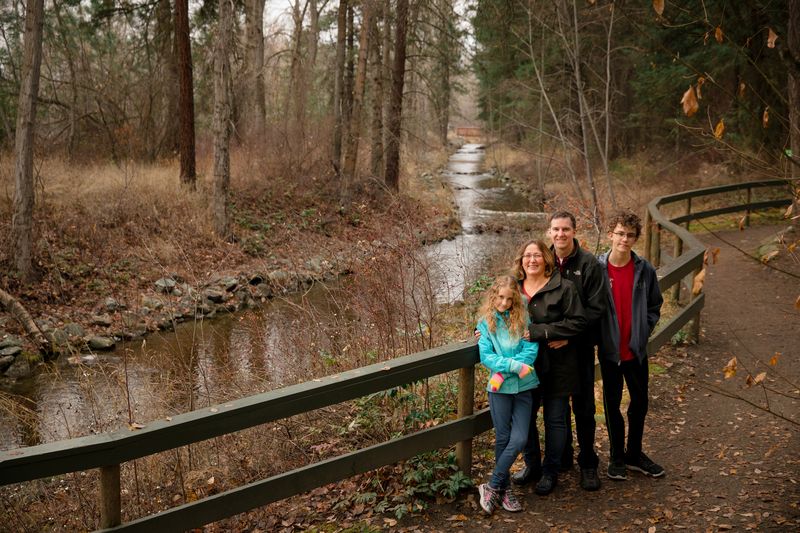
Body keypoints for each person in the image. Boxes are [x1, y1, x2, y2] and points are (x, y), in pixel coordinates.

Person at [513, 212, 607, 491]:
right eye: (555, 229)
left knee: (584, 408)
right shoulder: (540, 265)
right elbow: (500, 308)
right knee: (545, 413)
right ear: (549, 232)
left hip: (575, 349)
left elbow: (594, 310)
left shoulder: (588, 264)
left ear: (574, 231)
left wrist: (563, 335)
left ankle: (587, 463)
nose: (560, 234)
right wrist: (481, 330)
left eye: (566, 229)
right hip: (534, 359)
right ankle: (557, 461)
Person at [514, 240, 587, 496]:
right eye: (527, 255)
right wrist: (480, 330)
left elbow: (579, 321)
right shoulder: (513, 288)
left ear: (546, 259)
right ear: (521, 260)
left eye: (537, 255)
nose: (532, 260)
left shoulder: (563, 287)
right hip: (523, 367)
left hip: (558, 364)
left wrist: (542, 331)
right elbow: (493, 313)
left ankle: (550, 471)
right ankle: (532, 465)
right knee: (525, 418)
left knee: (555, 420)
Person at [597, 211, 665, 480]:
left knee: (639, 402)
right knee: (612, 404)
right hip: (610, 351)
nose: (625, 239)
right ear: (611, 234)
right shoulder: (598, 268)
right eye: (620, 233)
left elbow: (654, 305)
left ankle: (634, 454)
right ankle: (616, 458)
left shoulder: (644, 269)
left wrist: (643, 331)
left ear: (636, 238)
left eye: (630, 235)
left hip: (635, 351)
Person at [475, 275, 540, 515]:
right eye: (500, 297)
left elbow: (530, 352)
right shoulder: (485, 323)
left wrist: (502, 372)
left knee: (520, 438)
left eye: (509, 299)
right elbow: (487, 357)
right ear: (493, 296)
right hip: (499, 390)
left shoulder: (523, 320)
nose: (503, 303)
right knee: (503, 438)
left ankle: (492, 486)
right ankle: (506, 489)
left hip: (524, 389)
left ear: (515, 300)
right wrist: (511, 369)